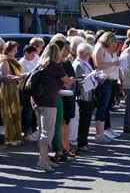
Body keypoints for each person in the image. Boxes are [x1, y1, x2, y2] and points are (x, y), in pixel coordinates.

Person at [32, 43, 74, 172]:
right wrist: (74, 78)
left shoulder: (41, 65)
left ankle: (44, 158)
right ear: (58, 53)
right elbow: (67, 81)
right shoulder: (56, 66)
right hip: (48, 103)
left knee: (42, 132)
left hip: (36, 101)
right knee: (47, 133)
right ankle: (42, 161)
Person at [93, 32, 120, 143]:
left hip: (109, 80)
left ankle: (103, 131)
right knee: (102, 107)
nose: (114, 45)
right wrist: (113, 63)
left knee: (105, 107)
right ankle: (99, 134)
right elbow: (99, 65)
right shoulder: (99, 48)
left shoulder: (104, 49)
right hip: (103, 80)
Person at [0, 41, 24, 146]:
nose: (16, 52)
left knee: (16, 113)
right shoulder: (4, 60)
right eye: (14, 50)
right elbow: (5, 78)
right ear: (8, 50)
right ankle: (10, 138)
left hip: (14, 88)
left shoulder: (10, 60)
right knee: (9, 113)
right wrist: (19, 77)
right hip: (7, 89)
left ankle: (16, 137)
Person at [72, 43, 95, 153]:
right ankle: (81, 143)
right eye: (88, 53)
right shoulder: (78, 64)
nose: (90, 55)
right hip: (82, 95)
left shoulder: (85, 63)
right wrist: (92, 79)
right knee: (83, 120)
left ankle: (84, 142)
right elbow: (78, 82)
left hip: (88, 93)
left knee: (87, 119)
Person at [19, 45, 38, 142]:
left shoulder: (33, 60)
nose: (34, 56)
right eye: (32, 54)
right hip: (27, 90)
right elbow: (19, 76)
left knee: (32, 112)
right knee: (28, 111)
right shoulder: (22, 62)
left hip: (33, 89)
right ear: (26, 53)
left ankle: (32, 130)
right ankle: (27, 131)